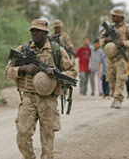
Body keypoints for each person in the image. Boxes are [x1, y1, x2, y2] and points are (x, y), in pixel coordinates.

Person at [5, 19, 77, 159]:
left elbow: (72, 73)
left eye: (38, 31)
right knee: (22, 133)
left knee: (47, 138)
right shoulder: (22, 49)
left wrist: (56, 73)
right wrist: (22, 68)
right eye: (33, 30)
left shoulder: (57, 50)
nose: (35, 33)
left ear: (46, 33)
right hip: (28, 97)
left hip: (48, 99)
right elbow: (7, 72)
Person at [99, 9, 129, 109]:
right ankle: (114, 95)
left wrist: (124, 43)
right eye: (113, 15)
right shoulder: (109, 28)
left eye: (115, 16)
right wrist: (106, 40)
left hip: (121, 58)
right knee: (111, 78)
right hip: (110, 58)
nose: (113, 17)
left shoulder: (128, 28)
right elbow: (101, 39)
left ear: (121, 17)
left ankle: (118, 99)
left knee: (120, 79)